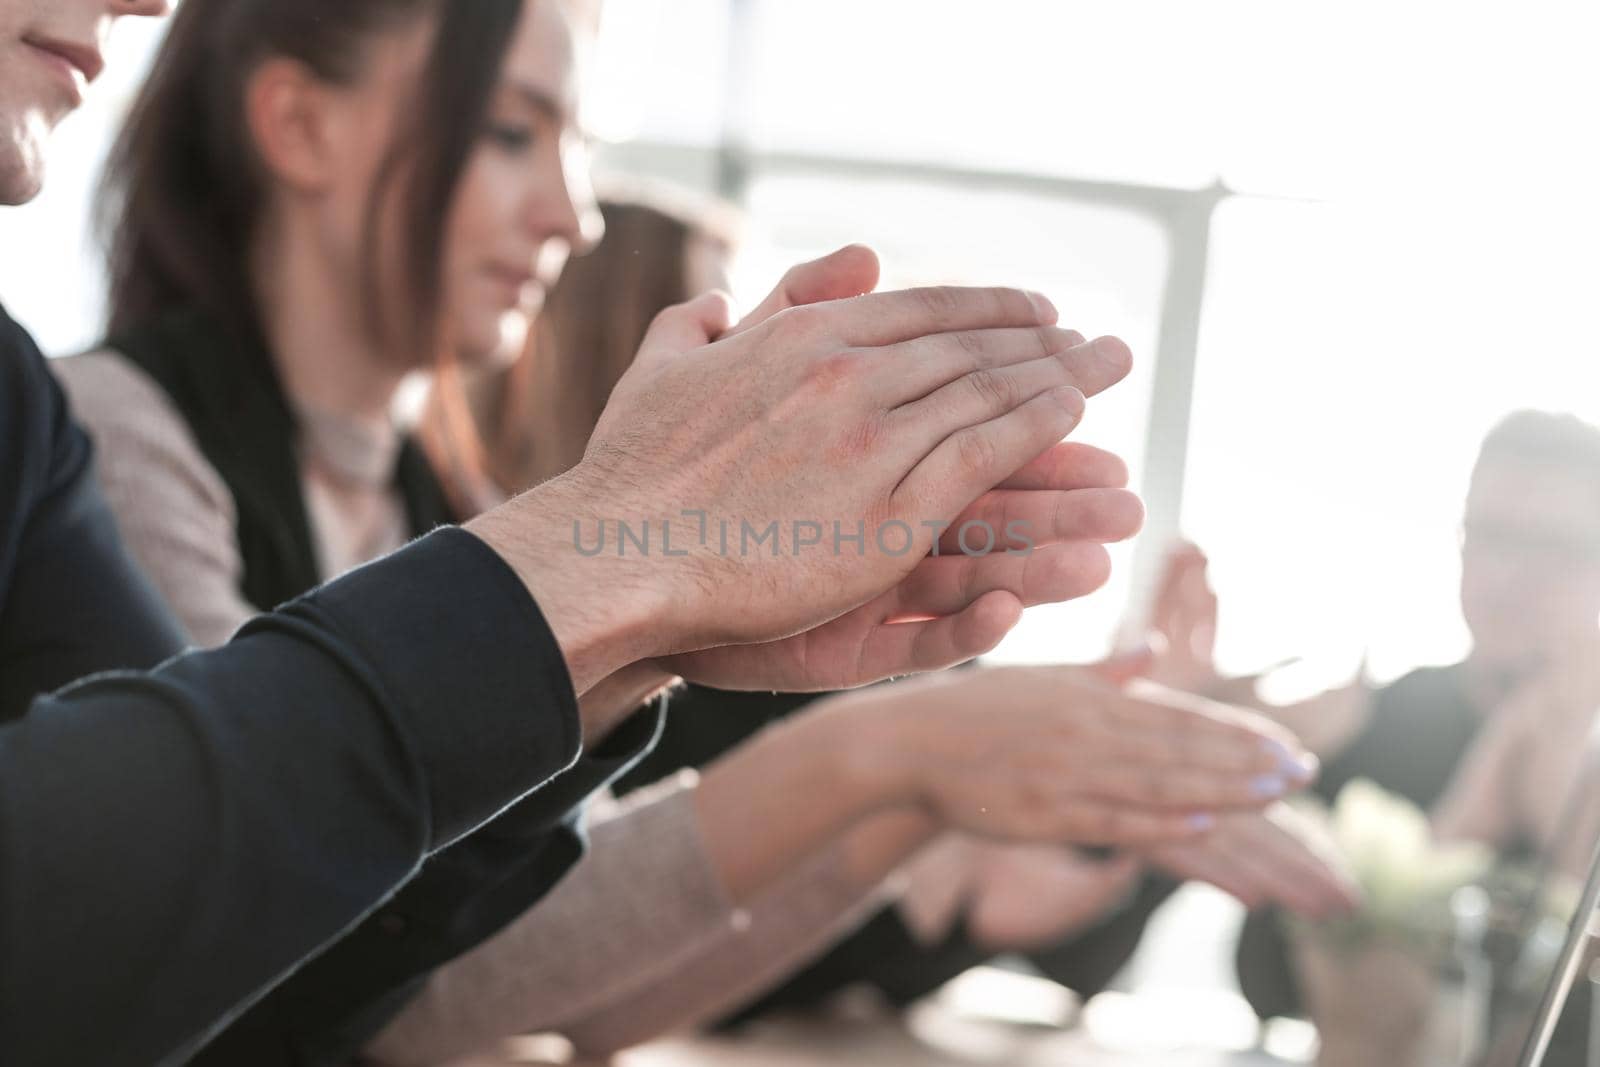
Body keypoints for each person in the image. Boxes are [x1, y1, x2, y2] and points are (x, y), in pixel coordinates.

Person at [0, 1, 1274, 1062]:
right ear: (297, 123)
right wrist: (862, 735)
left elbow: (420, 967)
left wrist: (666, 635)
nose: (574, 213)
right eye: (510, 132)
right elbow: (283, 965)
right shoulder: (115, 430)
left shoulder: (420, 494)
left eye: (577, 144)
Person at [361, 195, 1357, 1063]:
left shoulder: (729, 632)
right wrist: (913, 774)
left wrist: (942, 800)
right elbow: (436, 987)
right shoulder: (444, 578)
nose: (758, 383)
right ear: (608, 355)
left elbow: (582, 975)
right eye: (720, 339)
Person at [1144, 412, 1600, 1046]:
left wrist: (1561, 794)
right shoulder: (1382, 717)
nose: (1504, 576)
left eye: (1549, 548)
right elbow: (1267, 973)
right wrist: (1477, 801)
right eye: (1488, 535)